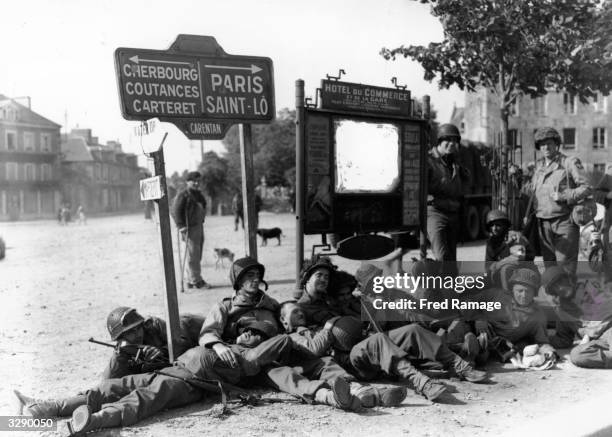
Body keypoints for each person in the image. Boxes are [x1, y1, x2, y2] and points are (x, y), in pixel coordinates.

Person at [199, 257, 362, 411]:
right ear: (238, 280)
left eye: (258, 275)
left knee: (322, 361)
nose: (256, 279)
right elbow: (208, 332)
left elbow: (287, 323)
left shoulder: (271, 304)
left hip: (277, 353)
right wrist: (218, 345)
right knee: (287, 376)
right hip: (247, 358)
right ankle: (328, 397)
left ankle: (356, 389)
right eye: (250, 276)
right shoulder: (225, 307)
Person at [523, 127, 592, 279]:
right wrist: (517, 179)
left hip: (564, 222)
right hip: (543, 224)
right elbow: (532, 192)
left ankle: (566, 302)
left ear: (557, 144)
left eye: (549, 143)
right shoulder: (539, 168)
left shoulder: (569, 163)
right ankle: (556, 302)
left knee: (565, 268)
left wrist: (565, 195)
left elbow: (587, 188)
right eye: (542, 144)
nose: (546, 147)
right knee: (550, 271)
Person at [472, 268, 556, 361]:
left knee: (481, 358)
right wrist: (478, 318)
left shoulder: (537, 316)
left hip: (499, 346)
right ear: (512, 290)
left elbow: (542, 342)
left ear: (534, 293)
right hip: (474, 329)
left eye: (528, 291)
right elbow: (466, 301)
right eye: (520, 291)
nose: (524, 295)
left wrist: (549, 352)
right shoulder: (496, 295)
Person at [102, 307, 205, 379]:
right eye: (130, 333)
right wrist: (118, 356)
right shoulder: (124, 351)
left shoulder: (154, 326)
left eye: (138, 328)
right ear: (120, 338)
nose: (138, 334)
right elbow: (108, 382)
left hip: (197, 332)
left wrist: (162, 351)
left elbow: (182, 343)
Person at [426, 123, 469, 276]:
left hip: (453, 213)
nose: (452, 144)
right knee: (442, 257)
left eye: (455, 141)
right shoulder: (428, 161)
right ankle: (438, 295)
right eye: (448, 140)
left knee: (451, 261)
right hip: (434, 212)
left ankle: (451, 295)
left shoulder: (454, 163)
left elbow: (461, 188)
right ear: (439, 141)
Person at [171, 171, 211, 289]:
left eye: (198, 181)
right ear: (187, 182)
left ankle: (190, 280)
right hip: (189, 228)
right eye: (194, 181)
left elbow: (202, 207)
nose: (196, 183)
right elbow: (175, 211)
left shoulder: (198, 194)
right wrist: (181, 226)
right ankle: (196, 281)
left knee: (196, 255)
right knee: (192, 255)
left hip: (198, 226)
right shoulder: (183, 195)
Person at [484, 209, 535, 288]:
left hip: (525, 275)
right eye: (492, 225)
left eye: (498, 225)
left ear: (505, 225)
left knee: (506, 269)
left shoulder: (515, 237)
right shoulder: (491, 242)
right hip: (503, 275)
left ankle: (508, 297)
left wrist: (497, 265)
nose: (494, 228)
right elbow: (488, 265)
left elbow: (518, 258)